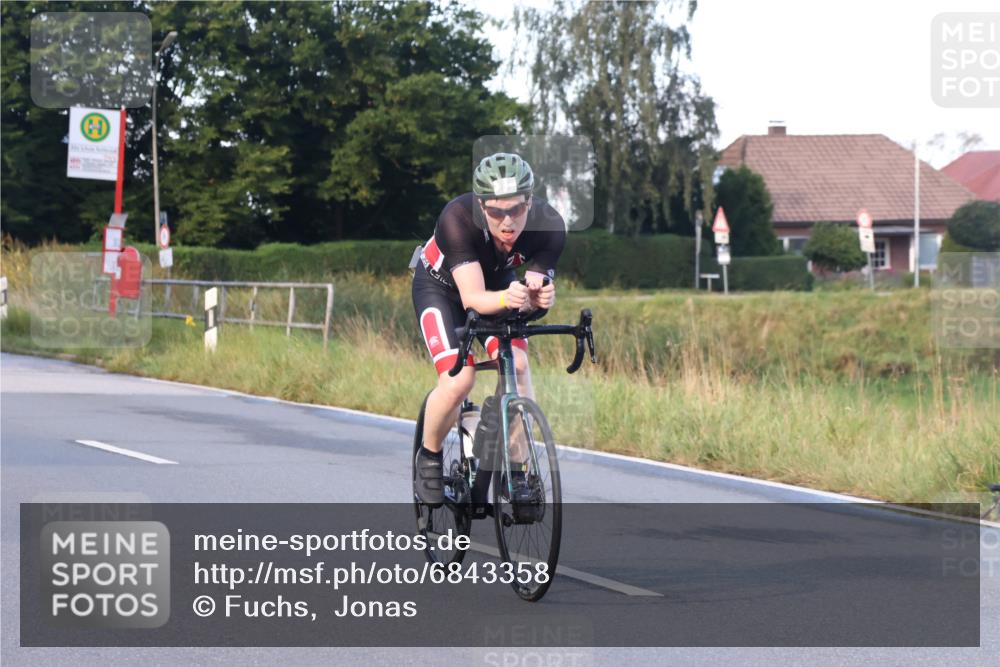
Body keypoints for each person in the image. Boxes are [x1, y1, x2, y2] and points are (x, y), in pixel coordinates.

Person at [411, 152, 566, 507]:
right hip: (442, 289)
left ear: (530, 202)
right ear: (481, 206)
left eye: (516, 210)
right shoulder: (457, 218)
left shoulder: (550, 227)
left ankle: (517, 470)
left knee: (518, 368)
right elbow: (473, 299)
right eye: (496, 212)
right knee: (459, 380)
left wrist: (540, 299)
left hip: (497, 285)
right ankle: (429, 456)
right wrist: (511, 298)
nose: (507, 222)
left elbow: (531, 293)